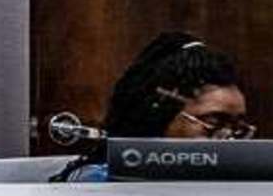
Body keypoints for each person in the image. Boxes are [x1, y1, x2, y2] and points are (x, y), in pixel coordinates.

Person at [59, 33, 253, 178]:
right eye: (213, 122)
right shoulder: (97, 182)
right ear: (158, 118)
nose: (228, 140)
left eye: (238, 129)